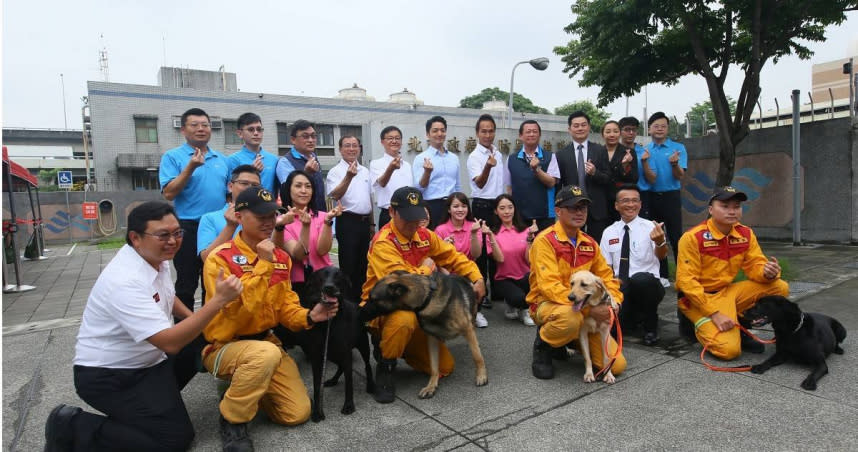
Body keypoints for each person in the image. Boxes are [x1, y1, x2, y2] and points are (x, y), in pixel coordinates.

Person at [44, 201, 243, 451]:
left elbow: (169, 299)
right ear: (135, 238)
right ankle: (72, 425)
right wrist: (217, 302)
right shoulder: (125, 280)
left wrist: (199, 322)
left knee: (199, 338)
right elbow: (170, 344)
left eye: (177, 233)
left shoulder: (155, 257)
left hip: (149, 364)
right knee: (173, 440)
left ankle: (153, 405)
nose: (173, 241)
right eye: (163, 235)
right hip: (111, 376)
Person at [202, 186, 339, 450]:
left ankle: (247, 386)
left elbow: (285, 307)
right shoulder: (220, 259)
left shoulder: (281, 259)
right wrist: (263, 264)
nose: (268, 222)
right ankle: (232, 419)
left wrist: (310, 316)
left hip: (267, 343)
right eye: (260, 216)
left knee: (296, 414)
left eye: (271, 216)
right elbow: (242, 309)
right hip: (225, 346)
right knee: (264, 355)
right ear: (239, 217)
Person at [362, 186, 485, 403]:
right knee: (403, 320)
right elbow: (403, 285)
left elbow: (454, 257)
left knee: (446, 368)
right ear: (391, 212)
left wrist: (477, 278)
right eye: (407, 218)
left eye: (417, 218)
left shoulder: (425, 235)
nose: (412, 225)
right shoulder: (383, 242)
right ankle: (385, 364)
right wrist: (427, 268)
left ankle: (402, 346)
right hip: (388, 308)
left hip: (419, 307)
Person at [676, 186, 789, 360]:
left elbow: (755, 265)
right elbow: (686, 282)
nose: (732, 211)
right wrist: (715, 314)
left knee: (779, 288)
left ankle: (739, 327)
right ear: (711, 210)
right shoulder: (693, 237)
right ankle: (693, 323)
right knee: (729, 351)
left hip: (727, 292)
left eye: (736, 207)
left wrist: (767, 273)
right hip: (698, 299)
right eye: (725, 206)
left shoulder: (745, 233)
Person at [528, 185, 626, 380]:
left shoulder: (590, 243)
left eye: (583, 208)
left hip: (582, 307)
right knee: (570, 318)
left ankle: (571, 341)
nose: (579, 212)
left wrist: (613, 303)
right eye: (573, 208)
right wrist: (589, 310)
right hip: (547, 304)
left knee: (617, 367)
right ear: (558, 211)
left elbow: (607, 278)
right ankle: (544, 345)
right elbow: (550, 287)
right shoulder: (545, 241)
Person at [159, 108, 230, 312]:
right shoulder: (173, 157)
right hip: (188, 227)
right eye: (194, 125)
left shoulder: (222, 160)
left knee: (215, 281)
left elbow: (228, 194)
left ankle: (211, 333)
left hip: (218, 226)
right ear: (183, 130)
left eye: (205, 125)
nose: (201, 129)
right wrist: (190, 167)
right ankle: (186, 338)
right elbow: (169, 193)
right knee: (186, 284)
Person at [599, 184, 667, 346]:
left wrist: (660, 242)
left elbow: (662, 256)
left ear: (640, 204)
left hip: (648, 286)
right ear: (616, 205)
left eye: (635, 200)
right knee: (615, 330)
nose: (630, 204)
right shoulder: (609, 232)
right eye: (625, 201)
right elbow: (605, 267)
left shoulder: (651, 227)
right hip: (621, 288)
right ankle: (632, 319)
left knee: (640, 279)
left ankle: (651, 328)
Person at [275, 170, 342, 299]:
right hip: (299, 284)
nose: (304, 190)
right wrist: (306, 227)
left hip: (326, 280)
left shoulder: (323, 216)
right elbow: (298, 255)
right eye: (298, 186)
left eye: (308, 186)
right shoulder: (283, 221)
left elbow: (322, 250)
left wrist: (328, 222)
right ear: (288, 189)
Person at [433, 192, 496, 328]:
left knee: (478, 275)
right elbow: (438, 260)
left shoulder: (473, 226)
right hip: (447, 272)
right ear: (449, 209)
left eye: (464, 206)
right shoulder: (440, 229)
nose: (460, 210)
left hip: (468, 270)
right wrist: (444, 247)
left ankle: (476, 312)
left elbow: (476, 254)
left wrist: (473, 233)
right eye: (456, 206)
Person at [326, 135, 374, 300]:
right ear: (340, 149)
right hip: (347, 222)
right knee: (348, 266)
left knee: (363, 265)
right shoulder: (335, 172)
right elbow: (334, 195)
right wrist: (348, 176)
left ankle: (361, 302)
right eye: (347, 145)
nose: (352, 149)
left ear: (359, 148)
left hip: (364, 223)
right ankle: (347, 303)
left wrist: (371, 224)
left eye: (355, 145)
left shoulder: (365, 170)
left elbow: (369, 199)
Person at [644, 111, 687, 286]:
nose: (660, 129)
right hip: (651, 197)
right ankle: (661, 275)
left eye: (663, 126)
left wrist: (675, 164)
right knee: (656, 236)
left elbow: (680, 176)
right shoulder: (645, 150)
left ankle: (683, 275)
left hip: (671, 196)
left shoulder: (678, 148)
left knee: (677, 237)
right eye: (656, 126)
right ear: (649, 129)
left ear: (667, 129)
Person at [556, 111, 612, 242]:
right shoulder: (561, 154)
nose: (580, 128)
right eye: (576, 126)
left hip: (597, 209)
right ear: (569, 129)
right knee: (573, 245)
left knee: (597, 246)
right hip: (572, 209)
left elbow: (608, 178)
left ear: (589, 127)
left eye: (583, 125)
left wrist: (595, 173)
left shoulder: (600, 150)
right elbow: (559, 185)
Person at [488, 194, 538, 326]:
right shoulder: (492, 233)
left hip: (525, 276)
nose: (507, 212)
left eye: (510, 207)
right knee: (518, 298)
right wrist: (491, 237)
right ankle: (518, 304)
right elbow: (500, 259)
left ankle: (524, 308)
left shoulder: (526, 230)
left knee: (539, 286)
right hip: (504, 278)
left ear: (515, 209)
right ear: (496, 211)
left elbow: (529, 261)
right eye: (502, 208)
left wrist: (530, 239)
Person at [504, 120, 560, 231]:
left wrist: (536, 170)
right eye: (528, 132)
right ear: (520, 135)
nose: (531, 134)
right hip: (519, 216)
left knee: (544, 247)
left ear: (539, 135)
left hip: (545, 215)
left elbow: (551, 183)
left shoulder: (550, 157)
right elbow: (509, 188)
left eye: (535, 131)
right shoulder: (511, 159)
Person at [197, 165, 261, 261]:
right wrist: (230, 227)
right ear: (230, 186)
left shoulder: (266, 217)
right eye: (244, 183)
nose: (250, 189)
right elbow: (206, 258)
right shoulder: (210, 218)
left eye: (255, 185)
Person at [412, 115, 460, 229]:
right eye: (435, 131)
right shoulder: (421, 158)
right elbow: (418, 188)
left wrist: (460, 206)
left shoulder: (454, 158)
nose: (439, 134)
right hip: (431, 206)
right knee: (433, 242)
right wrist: (427, 173)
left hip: (452, 206)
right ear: (428, 135)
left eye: (442, 130)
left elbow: (457, 186)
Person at [275, 120, 327, 212]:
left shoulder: (314, 157)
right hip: (297, 217)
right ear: (293, 140)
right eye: (305, 136)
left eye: (313, 136)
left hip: (319, 215)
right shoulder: (285, 162)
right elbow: (287, 192)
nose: (311, 140)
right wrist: (306, 173)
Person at [369, 126, 412, 229]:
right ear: (382, 142)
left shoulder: (407, 165)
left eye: (397, 138)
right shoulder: (376, 164)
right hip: (389, 214)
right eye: (390, 138)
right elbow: (382, 183)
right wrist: (391, 168)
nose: (394, 141)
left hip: (409, 213)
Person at [226, 112, 279, 192]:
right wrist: (251, 173)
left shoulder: (274, 159)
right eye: (251, 129)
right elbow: (230, 190)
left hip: (269, 204)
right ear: (240, 134)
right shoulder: (233, 160)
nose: (256, 133)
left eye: (259, 129)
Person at [467, 114, 504, 227]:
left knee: (498, 241)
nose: (487, 135)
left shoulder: (498, 154)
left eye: (491, 131)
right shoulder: (474, 156)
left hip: (499, 204)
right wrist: (487, 167)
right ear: (477, 133)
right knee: (483, 242)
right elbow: (480, 183)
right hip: (482, 205)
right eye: (484, 131)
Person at [601, 120, 638, 222]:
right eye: (608, 132)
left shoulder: (628, 152)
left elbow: (634, 178)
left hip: (621, 200)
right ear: (602, 134)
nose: (612, 135)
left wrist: (625, 166)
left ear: (620, 133)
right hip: (602, 199)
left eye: (615, 131)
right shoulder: (598, 151)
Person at [618, 116, 654, 219]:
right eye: (627, 129)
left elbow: (652, 179)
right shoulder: (614, 151)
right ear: (620, 131)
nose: (631, 133)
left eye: (633, 130)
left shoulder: (644, 152)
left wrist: (644, 162)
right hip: (620, 195)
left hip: (641, 195)